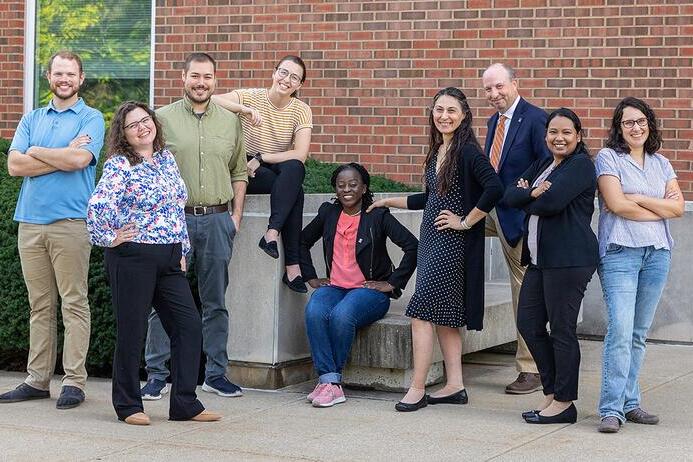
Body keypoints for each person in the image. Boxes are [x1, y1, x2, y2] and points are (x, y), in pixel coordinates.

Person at [369, 87, 503, 412]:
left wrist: (466, 222)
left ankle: (416, 388)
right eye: (439, 109)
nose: (444, 116)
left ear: (464, 116)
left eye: (451, 111)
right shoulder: (438, 150)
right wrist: (388, 200)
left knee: (419, 312)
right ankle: (455, 385)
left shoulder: (468, 152)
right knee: (444, 316)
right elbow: (428, 200)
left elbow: (495, 187)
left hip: (451, 244)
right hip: (431, 239)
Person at [87, 101, 220, 425]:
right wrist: (109, 236)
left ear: (155, 123)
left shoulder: (166, 159)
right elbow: (97, 206)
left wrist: (183, 250)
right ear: (124, 133)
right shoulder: (120, 165)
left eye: (145, 120)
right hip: (132, 257)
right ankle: (128, 405)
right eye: (133, 125)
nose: (142, 127)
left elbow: (177, 207)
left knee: (188, 326)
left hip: (170, 257)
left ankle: (185, 404)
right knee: (132, 331)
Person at [0, 51, 104, 410]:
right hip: (30, 222)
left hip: (71, 223)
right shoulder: (32, 117)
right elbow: (14, 165)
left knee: (74, 303)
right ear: (48, 77)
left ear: (81, 78)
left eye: (70, 74)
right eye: (58, 73)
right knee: (40, 306)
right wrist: (58, 154)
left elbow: (79, 161)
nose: (64, 79)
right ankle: (37, 380)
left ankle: (74, 382)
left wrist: (38, 152)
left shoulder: (92, 118)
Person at [141, 52, 248, 401]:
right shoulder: (163, 118)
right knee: (164, 300)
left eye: (208, 77)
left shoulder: (230, 122)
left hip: (218, 219)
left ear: (215, 81)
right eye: (195, 76)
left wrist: (236, 217)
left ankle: (216, 374)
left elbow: (239, 171)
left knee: (215, 300)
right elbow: (150, 169)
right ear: (183, 78)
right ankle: (157, 374)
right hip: (174, 222)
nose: (201, 83)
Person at [504, 108, 598, 424]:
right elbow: (508, 195)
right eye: (553, 132)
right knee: (529, 323)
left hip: (569, 261)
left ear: (579, 136)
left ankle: (564, 402)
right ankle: (553, 394)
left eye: (566, 132)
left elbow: (551, 203)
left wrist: (527, 195)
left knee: (561, 330)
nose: (559, 138)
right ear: (546, 136)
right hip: (539, 262)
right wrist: (531, 192)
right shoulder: (545, 163)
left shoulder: (582, 166)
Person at [595, 97, 684, 433]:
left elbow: (677, 210)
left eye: (641, 121)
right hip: (621, 252)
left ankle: (630, 402)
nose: (636, 127)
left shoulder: (661, 163)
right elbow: (617, 205)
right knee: (619, 330)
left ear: (650, 125)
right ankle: (611, 409)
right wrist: (658, 206)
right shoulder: (608, 158)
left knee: (637, 334)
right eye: (628, 122)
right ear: (619, 128)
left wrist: (641, 199)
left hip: (657, 253)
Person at [299, 163, 418, 407]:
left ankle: (330, 383)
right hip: (335, 287)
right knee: (314, 311)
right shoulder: (328, 213)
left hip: (368, 291)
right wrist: (311, 277)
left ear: (364, 188)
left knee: (342, 315)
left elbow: (412, 246)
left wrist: (392, 283)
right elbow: (301, 242)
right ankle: (329, 383)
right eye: (341, 185)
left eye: (353, 185)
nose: (346, 190)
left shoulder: (377, 215)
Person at [213, 55, 312, 293]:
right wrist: (243, 109)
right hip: (245, 167)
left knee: (295, 167)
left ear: (300, 85)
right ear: (274, 72)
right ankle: (292, 266)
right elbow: (212, 99)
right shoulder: (251, 96)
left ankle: (272, 232)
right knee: (294, 193)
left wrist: (261, 158)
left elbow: (300, 153)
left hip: (270, 161)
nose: (287, 80)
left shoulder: (301, 110)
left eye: (294, 77)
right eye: (284, 72)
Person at [482, 63, 551, 394]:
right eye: (488, 89)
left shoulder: (536, 119)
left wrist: (529, 201)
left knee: (523, 290)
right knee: (447, 231)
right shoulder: (492, 122)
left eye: (499, 87)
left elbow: (549, 164)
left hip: (518, 217)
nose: (494, 94)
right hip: (491, 210)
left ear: (514, 83)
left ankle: (532, 368)